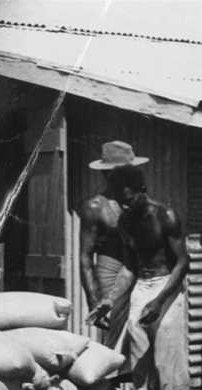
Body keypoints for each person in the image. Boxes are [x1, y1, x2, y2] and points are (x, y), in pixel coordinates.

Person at [88, 165, 191, 390]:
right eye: (120, 202)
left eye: (129, 200)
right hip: (141, 288)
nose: (124, 206)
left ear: (141, 191)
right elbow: (130, 267)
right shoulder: (125, 222)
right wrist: (110, 300)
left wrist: (159, 301)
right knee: (139, 355)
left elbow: (183, 261)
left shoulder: (166, 215)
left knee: (168, 357)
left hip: (168, 286)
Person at [79, 140, 149, 348]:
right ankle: (113, 380)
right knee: (114, 335)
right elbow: (85, 256)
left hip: (140, 268)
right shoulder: (95, 206)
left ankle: (140, 380)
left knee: (141, 330)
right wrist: (93, 300)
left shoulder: (139, 200)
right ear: (106, 174)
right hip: (111, 270)